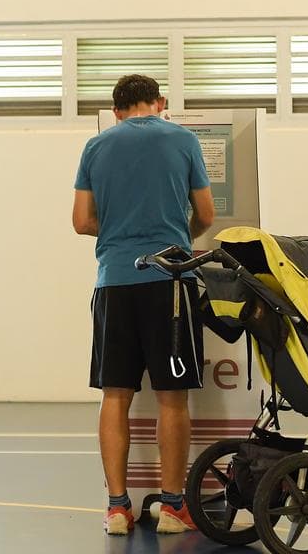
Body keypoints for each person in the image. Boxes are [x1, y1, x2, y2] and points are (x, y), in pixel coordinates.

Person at [71, 74, 215, 536]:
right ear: (161, 103)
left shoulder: (96, 147)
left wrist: (116, 235)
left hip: (114, 281)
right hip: (169, 283)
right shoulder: (184, 139)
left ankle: (117, 508)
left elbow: (80, 221)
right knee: (172, 397)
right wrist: (174, 241)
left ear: (115, 111)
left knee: (115, 395)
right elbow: (207, 214)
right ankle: (172, 506)